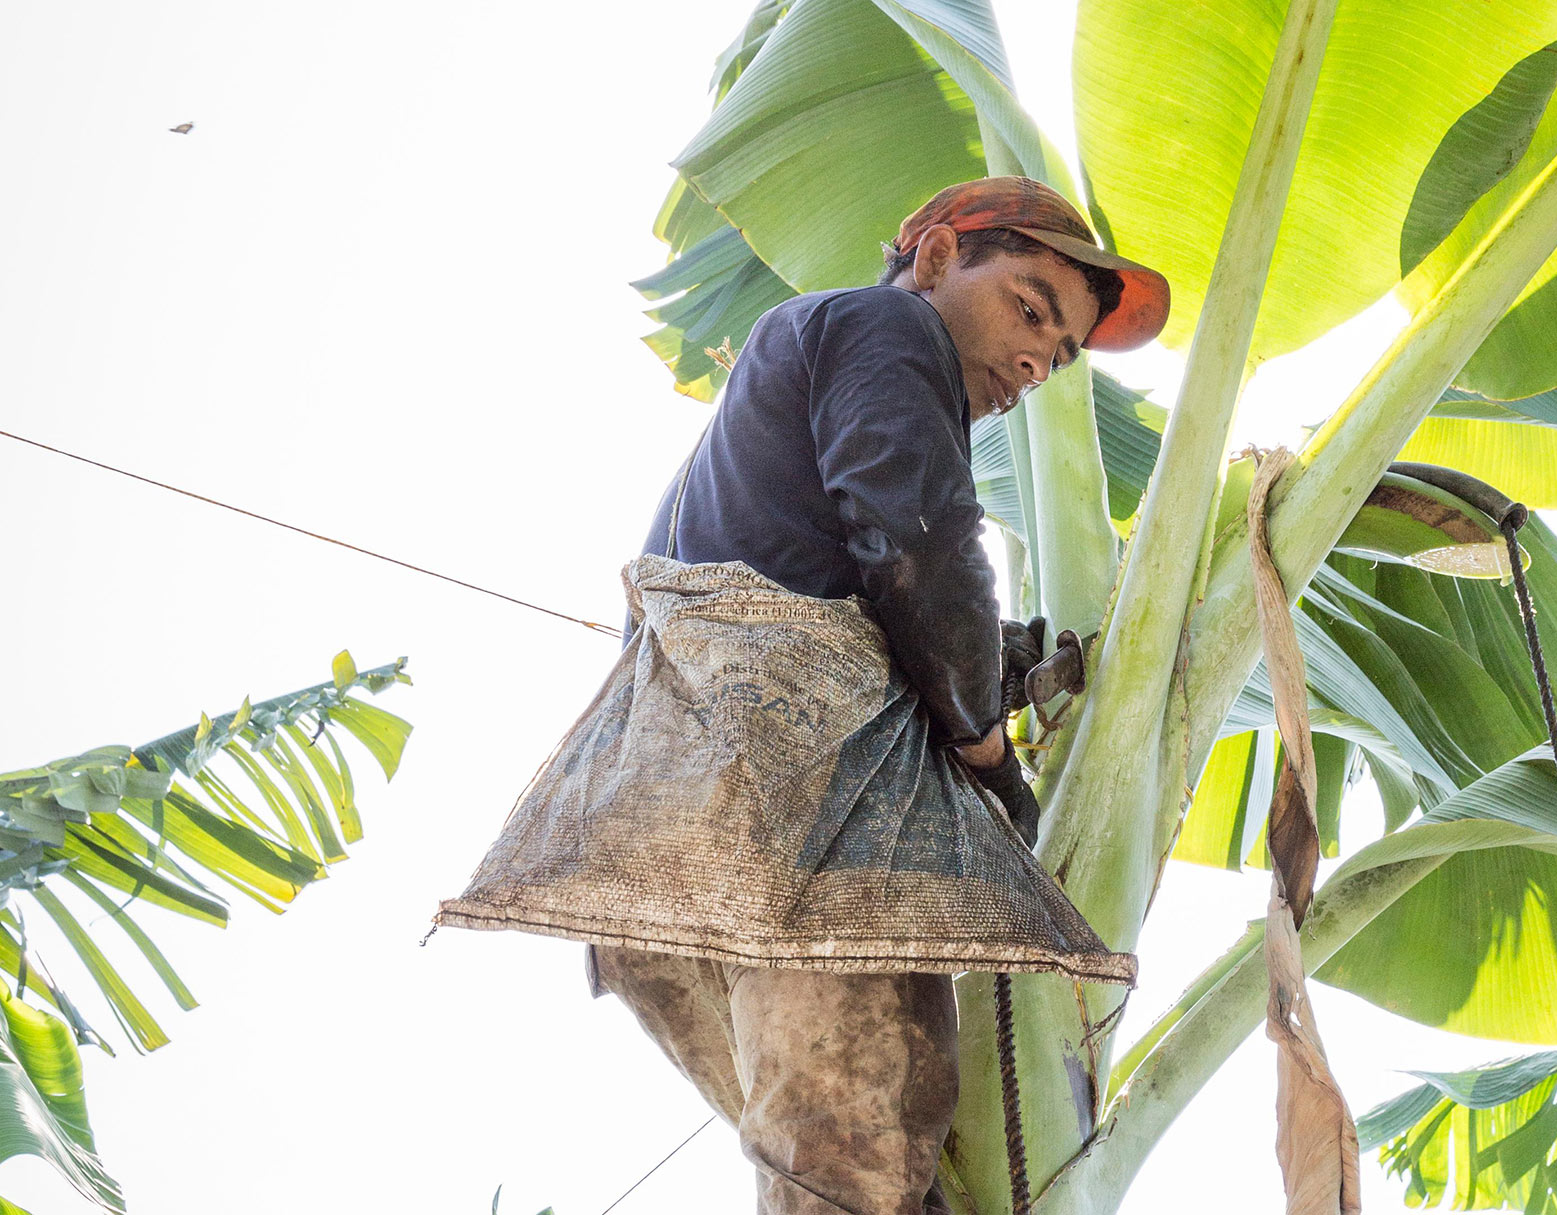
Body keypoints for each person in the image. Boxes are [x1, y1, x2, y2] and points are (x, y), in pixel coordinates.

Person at [437, 176, 1168, 1214]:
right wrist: (985, 752)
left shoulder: (772, 407)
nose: (1032, 363)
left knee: (837, 1185)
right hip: (792, 818)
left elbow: (851, 570)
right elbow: (917, 543)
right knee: (855, 1168)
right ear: (934, 259)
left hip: (654, 865)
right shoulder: (880, 325)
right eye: (1029, 309)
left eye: (1055, 357)